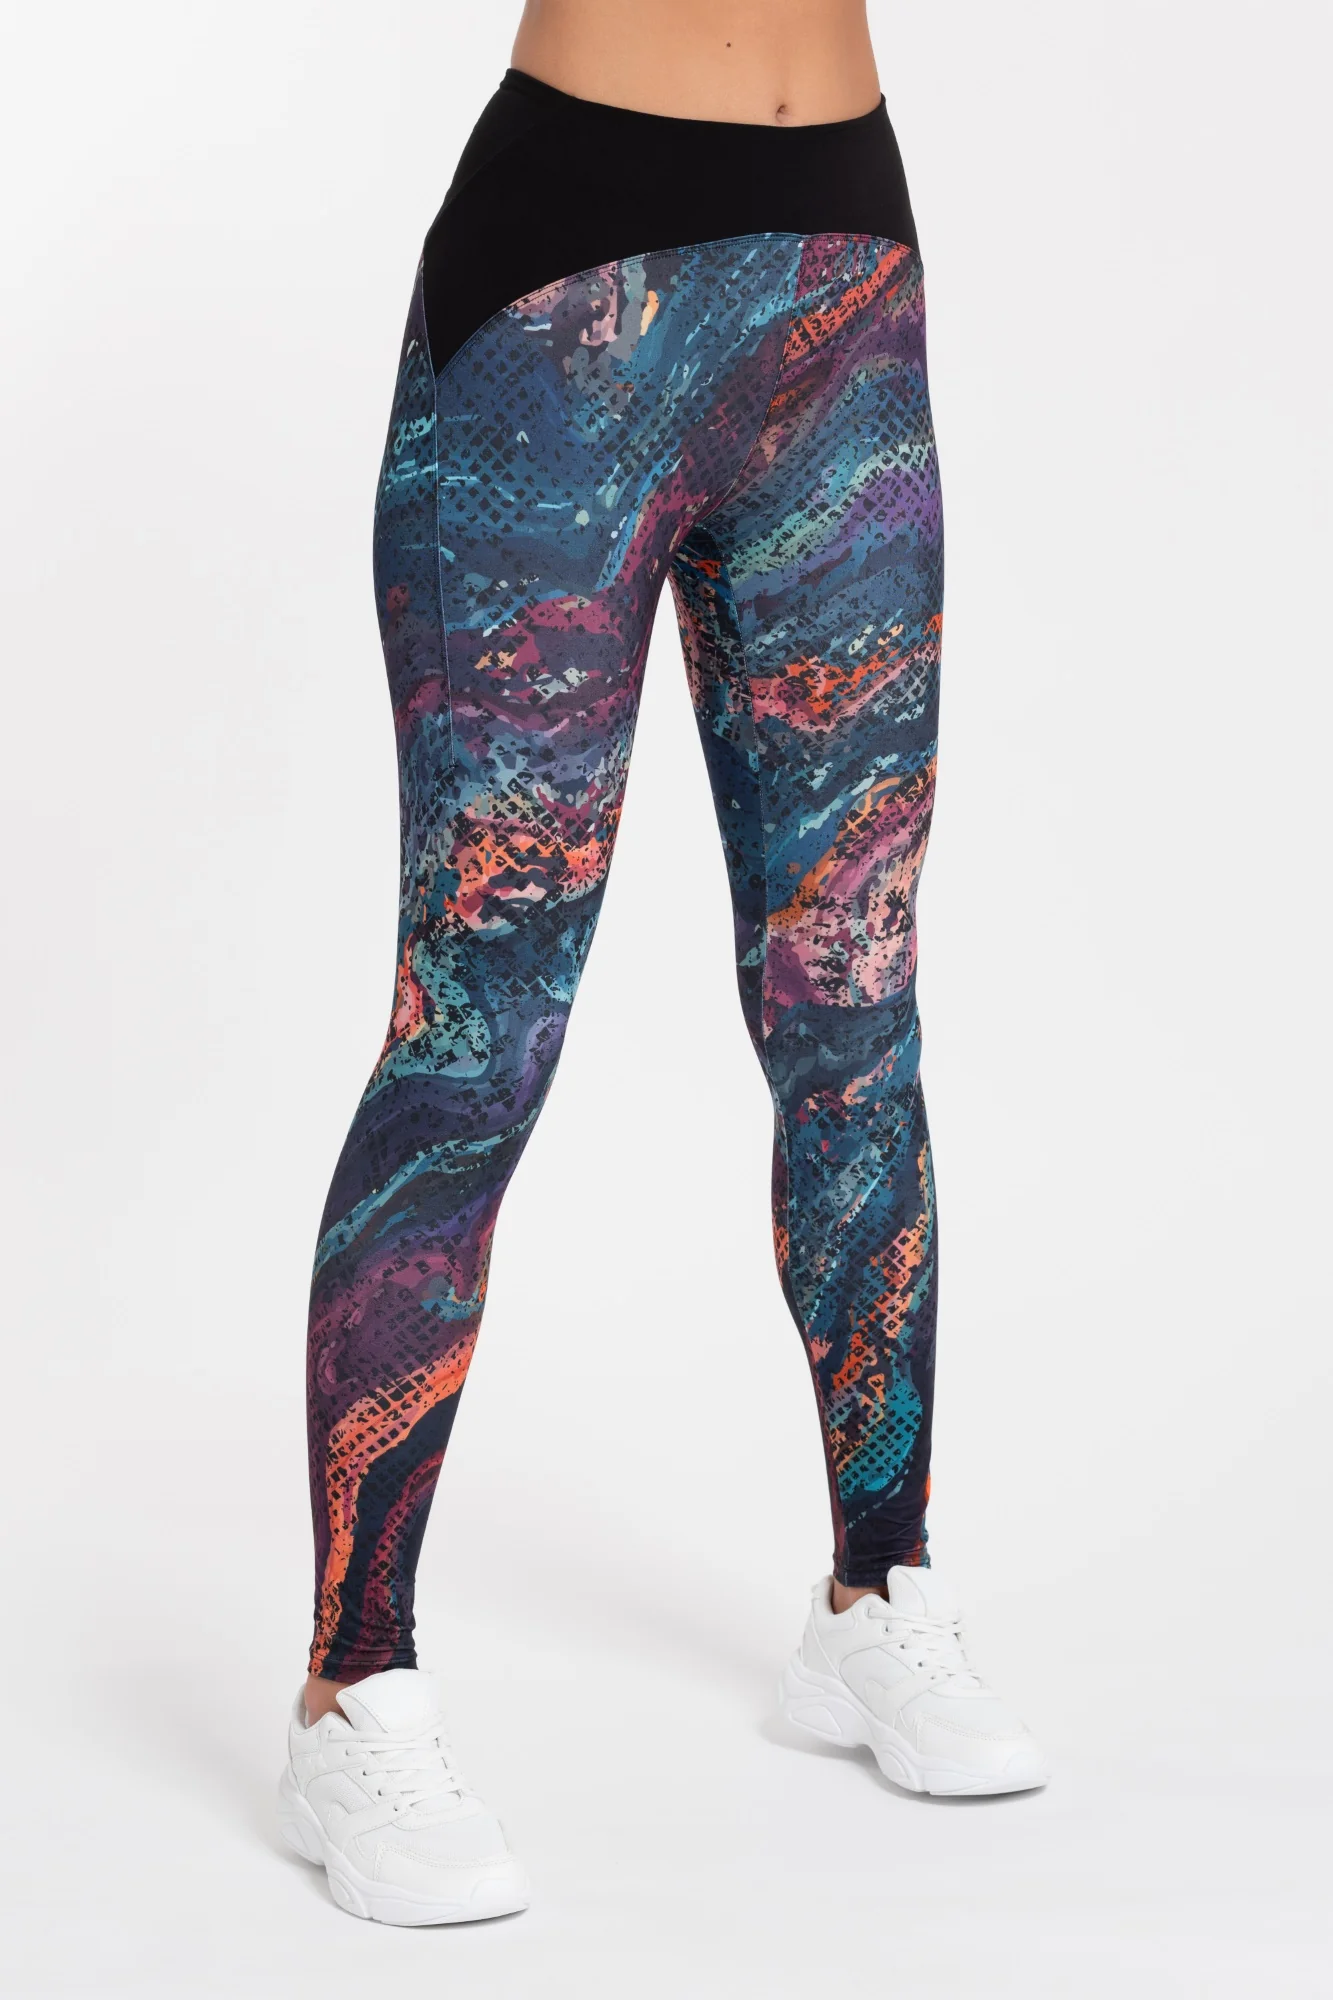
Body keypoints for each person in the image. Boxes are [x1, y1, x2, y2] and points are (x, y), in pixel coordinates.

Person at [277, 0, 1048, 1926]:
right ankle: (353, 1687)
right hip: (562, 309)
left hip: (846, 285)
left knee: (855, 1002)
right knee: (478, 1037)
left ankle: (879, 1588)